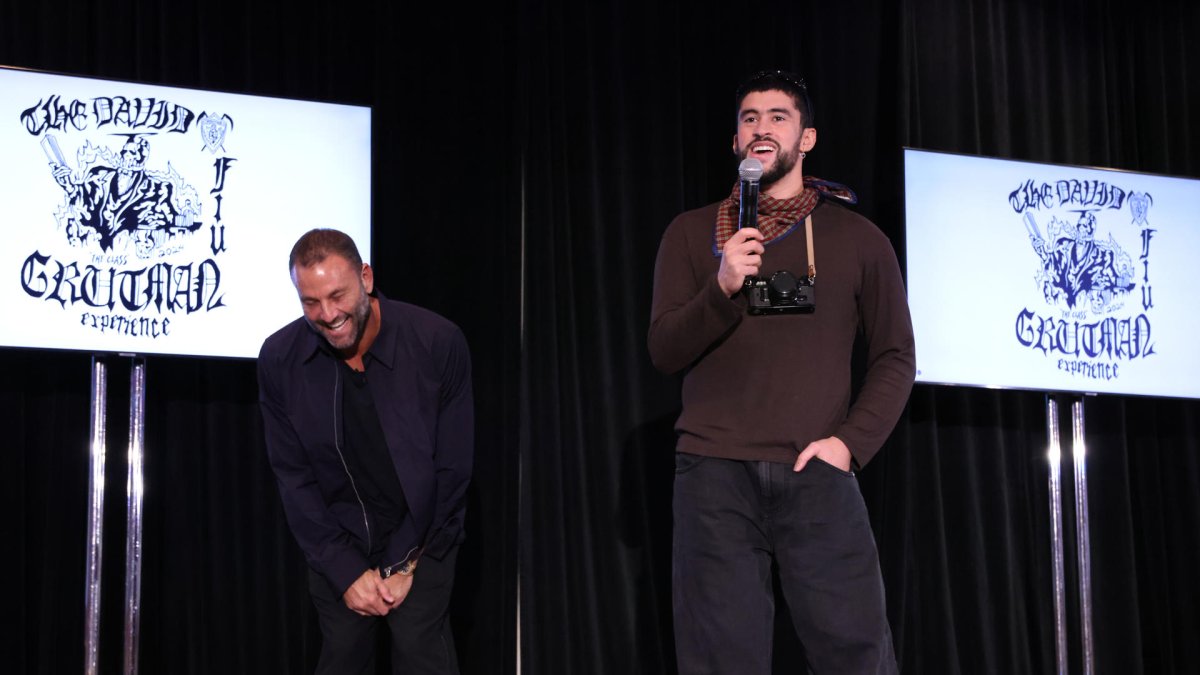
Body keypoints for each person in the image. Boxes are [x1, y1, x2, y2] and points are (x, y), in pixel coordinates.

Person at [648, 71, 915, 674]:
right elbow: (664, 350)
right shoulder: (693, 234)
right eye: (748, 118)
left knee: (856, 654)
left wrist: (848, 446)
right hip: (714, 474)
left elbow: (896, 355)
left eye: (777, 117)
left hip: (815, 473)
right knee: (720, 659)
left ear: (807, 137)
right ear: (734, 142)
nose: (761, 128)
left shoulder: (858, 239)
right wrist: (721, 287)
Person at [258, 228, 472, 674]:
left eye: (337, 295)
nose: (328, 314)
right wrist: (344, 569)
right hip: (339, 542)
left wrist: (408, 562)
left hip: (423, 537)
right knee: (342, 658)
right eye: (310, 302)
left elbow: (452, 469)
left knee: (420, 651)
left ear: (367, 278)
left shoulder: (436, 341)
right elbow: (294, 478)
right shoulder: (281, 358)